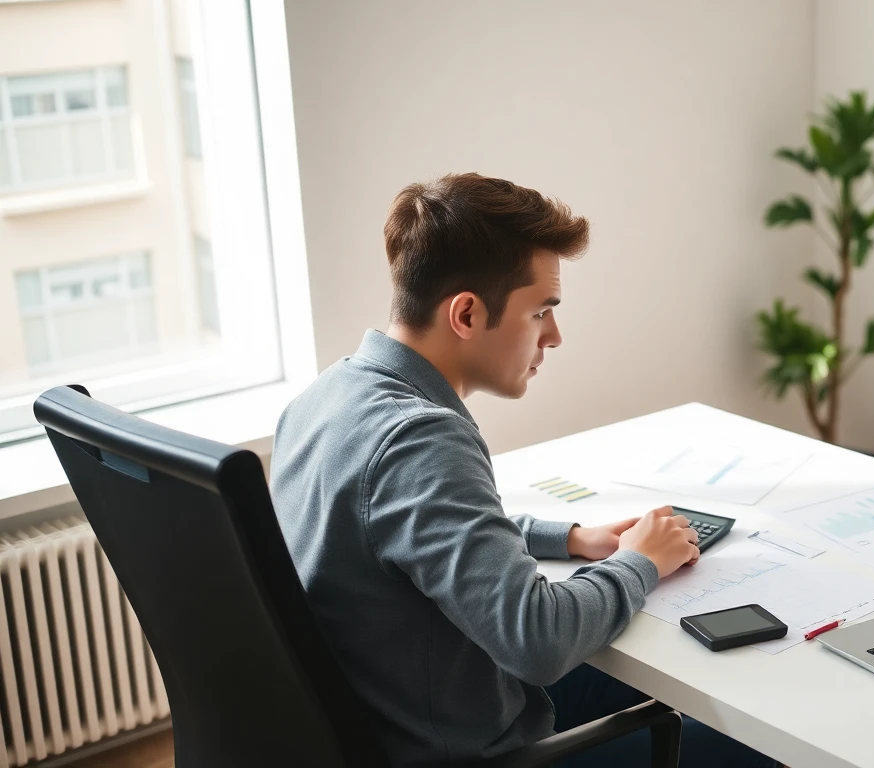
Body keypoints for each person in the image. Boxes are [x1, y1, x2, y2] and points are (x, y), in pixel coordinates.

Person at [270, 173, 776, 767]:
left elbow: (400, 530)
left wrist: (564, 538)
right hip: (469, 749)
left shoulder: (329, 396)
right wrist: (640, 562)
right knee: (752, 739)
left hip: (397, 718)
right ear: (466, 313)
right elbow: (537, 641)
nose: (554, 336)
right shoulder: (422, 440)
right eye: (541, 312)